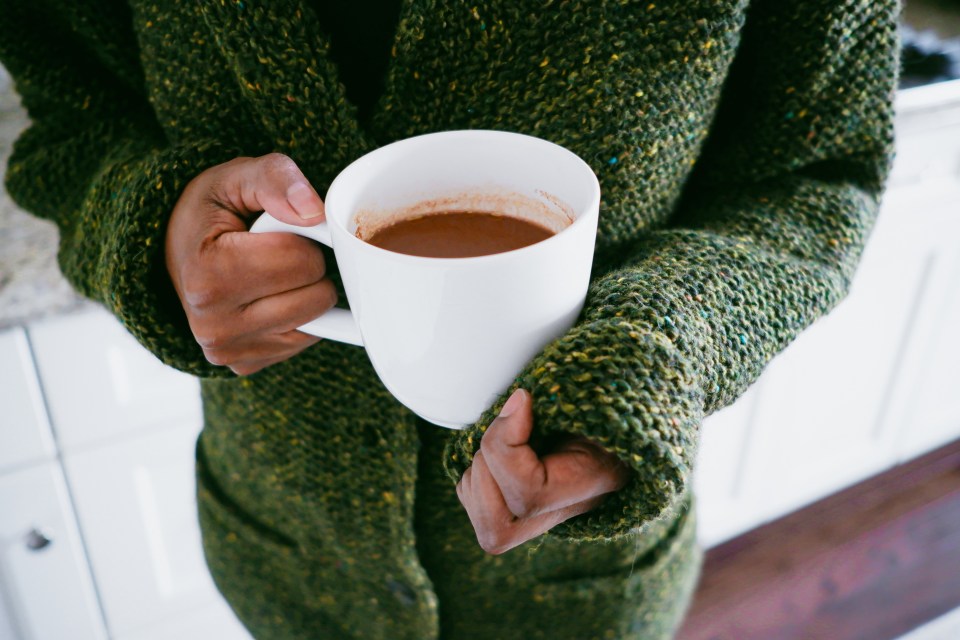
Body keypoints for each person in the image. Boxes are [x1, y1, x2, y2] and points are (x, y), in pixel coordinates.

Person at [0, 1, 899, 638]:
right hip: (286, 555)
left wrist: (658, 347)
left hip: (579, 592)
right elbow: (74, 122)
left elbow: (816, 176)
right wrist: (151, 226)